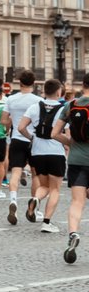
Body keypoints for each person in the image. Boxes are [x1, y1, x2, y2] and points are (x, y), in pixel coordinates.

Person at [19, 78, 67, 235]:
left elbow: (21, 127)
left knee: (44, 186)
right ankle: (46, 222)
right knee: (55, 189)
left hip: (37, 153)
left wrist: (31, 138)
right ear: (59, 92)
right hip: (56, 152)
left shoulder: (34, 107)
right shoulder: (63, 109)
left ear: (44, 91)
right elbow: (67, 134)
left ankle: (35, 199)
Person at [53, 74, 89, 263]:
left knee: (77, 201)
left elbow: (54, 133)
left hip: (76, 160)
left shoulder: (71, 105)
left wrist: (71, 144)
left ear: (83, 85)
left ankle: (73, 233)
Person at [4, 69, 40, 225]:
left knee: (15, 173)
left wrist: (12, 122)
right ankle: (33, 208)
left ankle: (13, 200)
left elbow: (4, 120)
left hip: (16, 139)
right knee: (36, 175)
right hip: (33, 140)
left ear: (19, 83)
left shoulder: (11, 99)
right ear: (33, 83)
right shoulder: (38, 100)